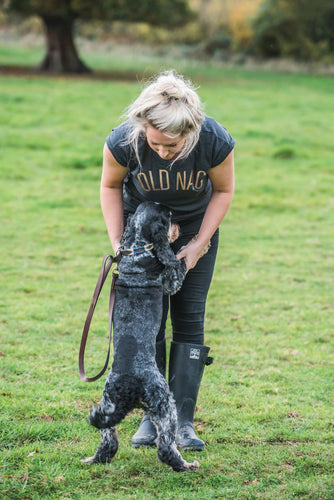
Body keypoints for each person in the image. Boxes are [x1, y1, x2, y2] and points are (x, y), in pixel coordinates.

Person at [100, 70, 235, 451]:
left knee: (189, 317)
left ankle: (183, 423)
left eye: (172, 146)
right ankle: (151, 417)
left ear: (190, 132)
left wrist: (198, 245)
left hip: (195, 231)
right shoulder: (123, 141)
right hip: (142, 235)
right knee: (149, 324)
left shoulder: (213, 140)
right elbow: (110, 185)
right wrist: (120, 243)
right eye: (155, 144)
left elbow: (223, 191)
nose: (162, 152)